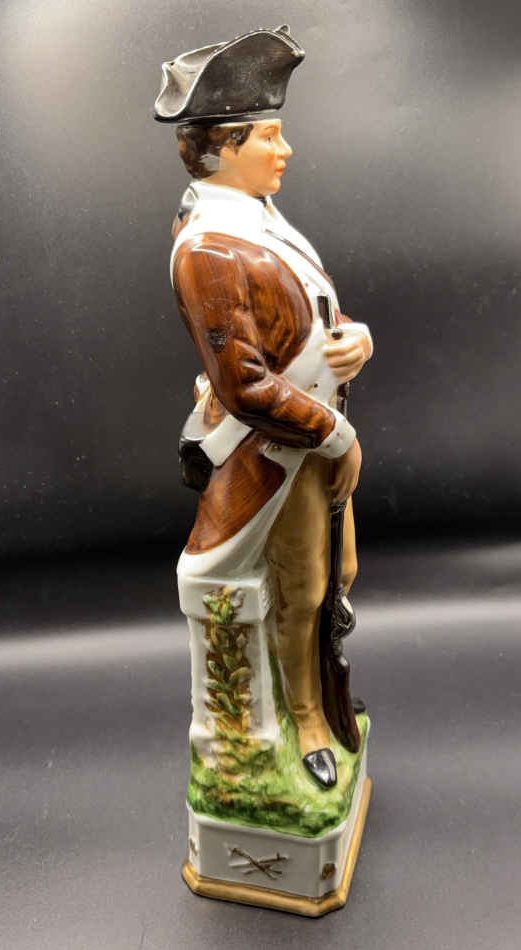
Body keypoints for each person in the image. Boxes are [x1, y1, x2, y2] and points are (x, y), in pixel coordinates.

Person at [156, 26, 373, 788]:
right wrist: (337, 435)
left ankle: (310, 696)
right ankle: (305, 720)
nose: (284, 150)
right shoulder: (210, 248)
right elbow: (246, 385)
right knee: (302, 590)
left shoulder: (259, 217)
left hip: (308, 435)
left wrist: (355, 339)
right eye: (268, 136)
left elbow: (305, 317)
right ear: (225, 147)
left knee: (335, 574)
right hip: (275, 450)